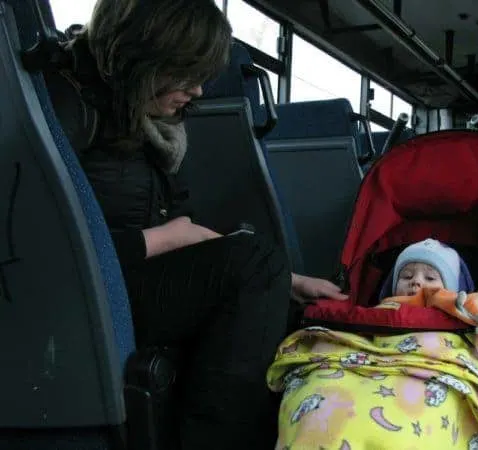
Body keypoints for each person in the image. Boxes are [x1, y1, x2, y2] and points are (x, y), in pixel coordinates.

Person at [44, 0, 346, 448]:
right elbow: (45, 249)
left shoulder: (134, 120)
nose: (200, 92)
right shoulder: (66, 107)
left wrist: (290, 279)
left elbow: (179, 230)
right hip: (84, 292)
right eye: (187, 74)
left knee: (263, 266)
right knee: (254, 264)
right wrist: (161, 238)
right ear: (145, 58)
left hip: (123, 276)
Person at [267, 239, 478, 449]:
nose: (416, 283)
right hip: (370, 356)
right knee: (317, 397)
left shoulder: (460, 312)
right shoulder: (382, 309)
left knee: (414, 418)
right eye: (407, 276)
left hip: (435, 357)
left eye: (430, 277)